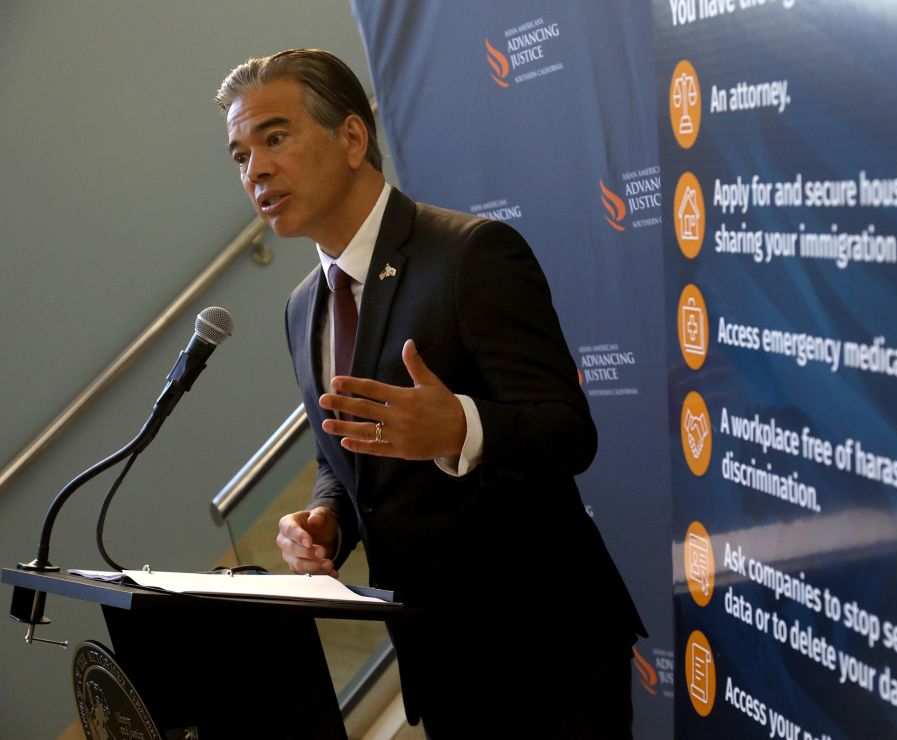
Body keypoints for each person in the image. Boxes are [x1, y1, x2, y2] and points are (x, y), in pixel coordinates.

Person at [216, 49, 645, 737]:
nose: (255, 169)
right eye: (239, 155)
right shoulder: (304, 309)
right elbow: (342, 461)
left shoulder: (470, 255)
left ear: (353, 138)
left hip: (546, 653)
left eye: (274, 137)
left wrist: (461, 430)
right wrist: (327, 517)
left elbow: (569, 433)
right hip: (438, 663)